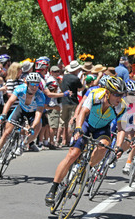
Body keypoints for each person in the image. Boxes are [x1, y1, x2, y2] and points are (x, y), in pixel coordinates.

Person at [44, 76, 128, 206]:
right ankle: (53, 189)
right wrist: (78, 128)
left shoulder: (121, 107)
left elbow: (121, 128)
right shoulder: (95, 95)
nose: (119, 98)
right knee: (72, 154)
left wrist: (118, 147)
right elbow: (83, 111)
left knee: (104, 146)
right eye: (116, 94)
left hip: (101, 129)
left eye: (122, 95)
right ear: (107, 93)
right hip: (86, 124)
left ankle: (86, 168)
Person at [0, 72, 46, 170]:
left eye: (37, 84)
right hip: (21, 110)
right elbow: (10, 102)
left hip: (33, 113)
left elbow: (38, 114)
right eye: (32, 84)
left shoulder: (40, 96)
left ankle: (23, 145)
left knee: (36, 129)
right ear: (28, 83)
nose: (35, 87)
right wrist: (3, 115)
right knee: (6, 133)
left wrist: (32, 127)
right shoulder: (20, 89)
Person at [61, 60, 83, 146]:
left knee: (64, 121)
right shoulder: (76, 78)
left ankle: (64, 140)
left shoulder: (65, 77)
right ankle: (70, 140)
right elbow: (80, 88)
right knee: (72, 121)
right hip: (73, 101)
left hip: (64, 101)